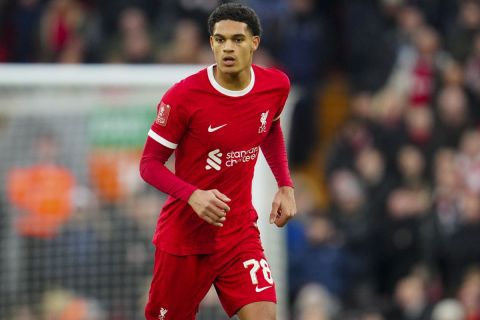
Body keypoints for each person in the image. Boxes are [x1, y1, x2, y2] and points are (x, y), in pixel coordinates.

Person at [139, 3, 296, 320]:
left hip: (238, 234)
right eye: (220, 39)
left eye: (237, 39)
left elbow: (269, 126)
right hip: (185, 241)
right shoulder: (183, 97)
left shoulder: (275, 86)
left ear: (254, 42)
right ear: (211, 43)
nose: (228, 47)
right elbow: (149, 165)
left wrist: (285, 185)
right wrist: (193, 194)